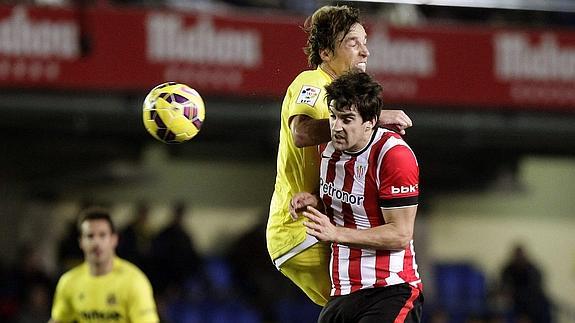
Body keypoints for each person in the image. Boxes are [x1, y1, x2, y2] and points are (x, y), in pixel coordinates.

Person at [266, 4, 413, 306]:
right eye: (353, 42)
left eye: (365, 42)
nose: (365, 52)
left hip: (312, 221)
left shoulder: (340, 96)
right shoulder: (312, 82)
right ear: (325, 53)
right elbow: (302, 132)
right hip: (301, 230)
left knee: (362, 304)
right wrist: (376, 116)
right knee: (379, 294)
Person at [290, 70, 423, 322]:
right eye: (333, 116)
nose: (336, 127)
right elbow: (352, 204)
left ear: (371, 121)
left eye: (347, 119)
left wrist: (336, 233)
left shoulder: (394, 155)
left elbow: (400, 234)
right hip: (343, 292)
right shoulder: (330, 151)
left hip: (390, 289)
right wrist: (315, 201)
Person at [49, 207, 159, 323]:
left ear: (114, 239)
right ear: (81, 242)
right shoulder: (69, 281)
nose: (96, 243)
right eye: (90, 236)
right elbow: (58, 320)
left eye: (102, 235)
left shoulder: (134, 281)